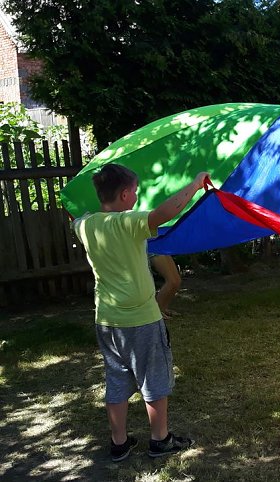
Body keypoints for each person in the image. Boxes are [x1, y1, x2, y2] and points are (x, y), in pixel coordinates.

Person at [73, 164, 208, 462]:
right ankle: (160, 440)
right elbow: (165, 212)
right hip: (142, 320)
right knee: (154, 379)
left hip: (107, 321)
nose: (137, 195)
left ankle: (119, 443)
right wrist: (196, 182)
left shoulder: (84, 226)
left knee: (117, 379)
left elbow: (75, 217)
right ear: (124, 195)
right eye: (134, 191)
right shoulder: (129, 223)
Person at [150, 254, 181, 319]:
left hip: (161, 247)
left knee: (177, 281)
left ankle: (162, 308)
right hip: (152, 248)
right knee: (172, 281)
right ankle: (156, 312)